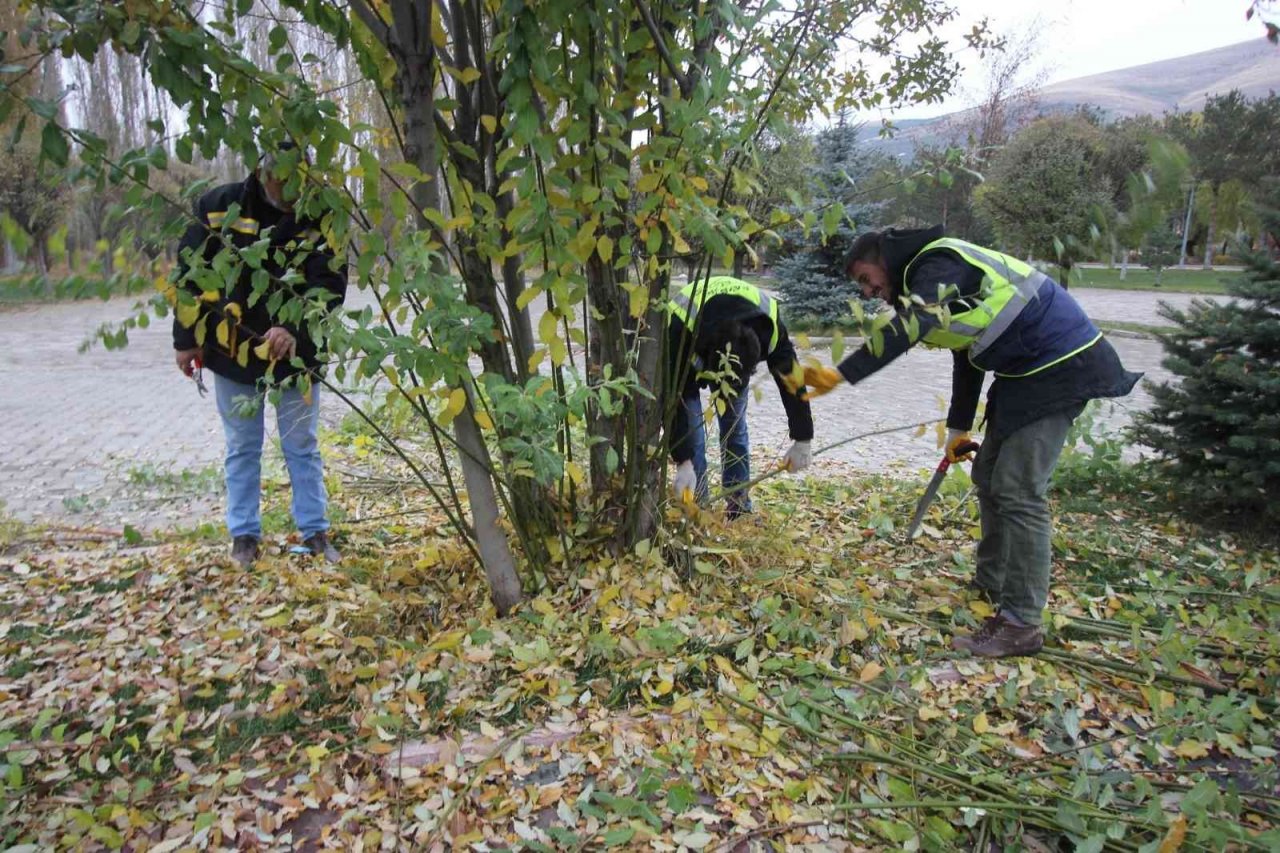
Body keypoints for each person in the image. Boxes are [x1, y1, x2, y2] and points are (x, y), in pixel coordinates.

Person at [804, 226, 1141, 657]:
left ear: (884, 257)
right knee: (988, 475)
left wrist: (842, 373)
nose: (869, 291)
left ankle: (1021, 623)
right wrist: (959, 427)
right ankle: (992, 583)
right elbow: (967, 351)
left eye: (866, 277)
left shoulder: (938, 264)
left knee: (1018, 491)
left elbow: (913, 326)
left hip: (1062, 366)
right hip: (1024, 373)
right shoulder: (929, 283)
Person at [171, 142, 348, 567]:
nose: (292, 190)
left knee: (302, 445)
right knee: (242, 447)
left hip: (297, 357)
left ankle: (315, 531)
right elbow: (190, 277)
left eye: (299, 180)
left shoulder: (321, 217)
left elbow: (330, 284)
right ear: (264, 172)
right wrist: (186, 340)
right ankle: (244, 537)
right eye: (284, 179)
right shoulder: (218, 207)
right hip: (233, 353)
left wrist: (294, 330)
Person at [667, 275, 814, 517]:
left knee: (734, 427)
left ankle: (739, 506)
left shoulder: (770, 327)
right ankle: (695, 507)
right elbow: (675, 399)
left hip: (732, 345)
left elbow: (792, 382)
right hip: (688, 353)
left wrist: (803, 438)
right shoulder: (680, 327)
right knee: (693, 436)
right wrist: (683, 461)